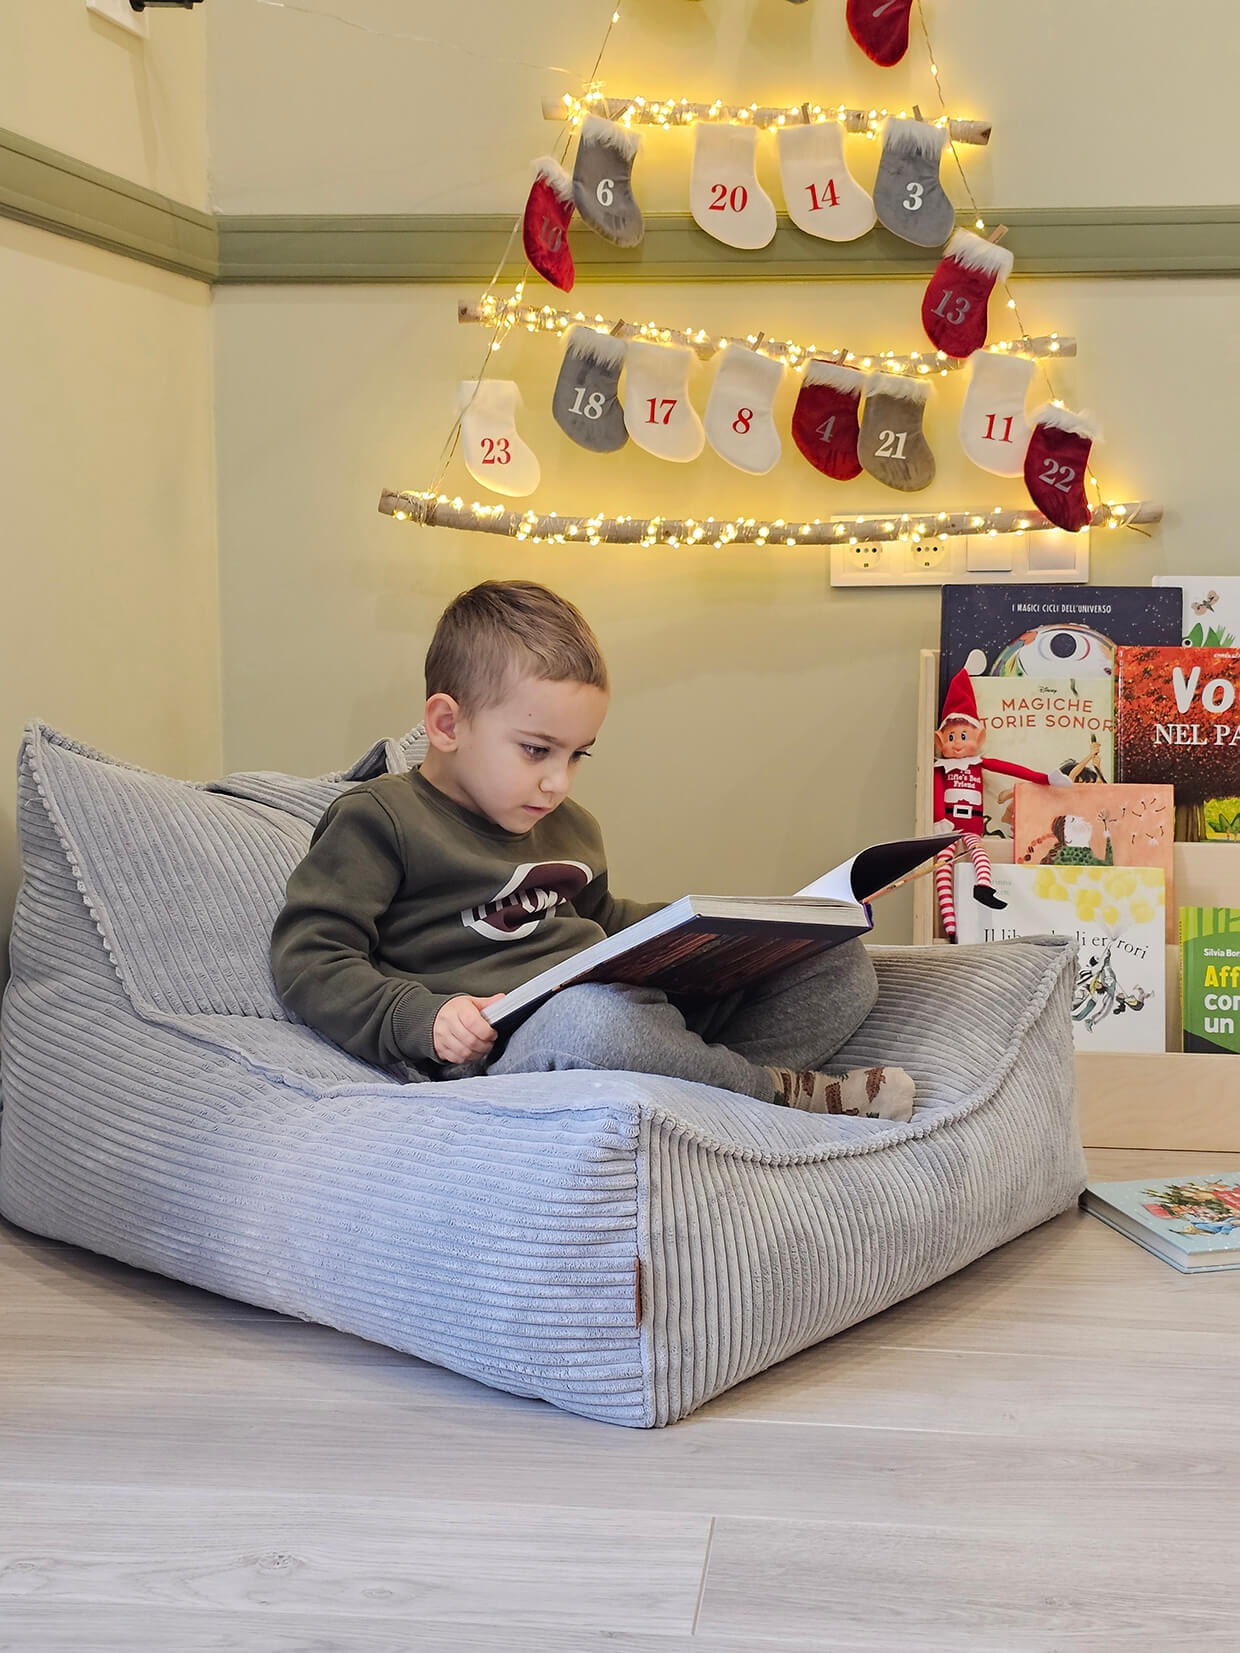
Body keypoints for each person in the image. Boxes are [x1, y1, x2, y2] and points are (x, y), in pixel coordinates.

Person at [271, 580, 913, 1121]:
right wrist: (423, 1019)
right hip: (509, 1051)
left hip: (631, 1014)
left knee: (841, 966)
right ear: (447, 725)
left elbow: (602, 927)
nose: (558, 781)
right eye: (535, 750)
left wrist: (748, 927)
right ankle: (768, 1094)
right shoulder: (380, 819)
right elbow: (310, 959)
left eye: (577, 755)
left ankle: (702, 1091)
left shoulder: (572, 826)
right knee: (595, 1022)